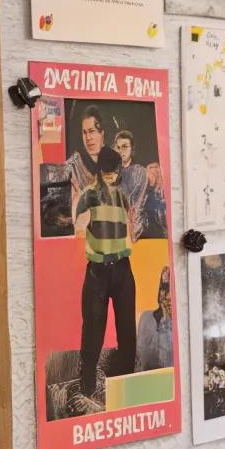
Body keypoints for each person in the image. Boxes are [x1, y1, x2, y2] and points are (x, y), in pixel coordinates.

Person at [74, 147, 136, 404]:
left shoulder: (123, 196)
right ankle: (87, 388)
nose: (112, 177)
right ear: (100, 171)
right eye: (108, 173)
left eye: (115, 173)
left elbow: (130, 227)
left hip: (123, 267)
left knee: (127, 331)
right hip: (97, 269)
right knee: (92, 330)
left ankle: (125, 386)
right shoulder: (88, 195)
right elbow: (76, 226)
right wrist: (82, 221)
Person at [113, 129, 167, 240]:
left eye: (124, 146)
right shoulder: (111, 174)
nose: (121, 151)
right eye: (118, 147)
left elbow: (136, 204)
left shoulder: (139, 171)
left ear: (132, 148)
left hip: (140, 230)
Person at [64, 104, 106, 221]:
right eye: (84, 132)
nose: (88, 138)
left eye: (92, 131)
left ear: (102, 133)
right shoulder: (71, 166)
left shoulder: (115, 160)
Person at [136, 266, 173, 372]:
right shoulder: (144, 319)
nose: (169, 296)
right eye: (165, 288)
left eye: (174, 289)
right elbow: (139, 363)